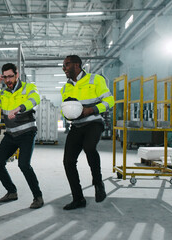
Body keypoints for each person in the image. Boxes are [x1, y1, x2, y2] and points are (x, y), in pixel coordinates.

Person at [60, 55, 114, 210]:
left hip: (94, 122)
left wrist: (91, 110)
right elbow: (65, 109)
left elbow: (109, 101)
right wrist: (68, 114)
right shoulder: (66, 88)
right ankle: (78, 199)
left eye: (66, 65)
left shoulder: (95, 80)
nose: (64, 68)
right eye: (63, 66)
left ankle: (98, 183)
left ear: (77, 65)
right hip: (76, 125)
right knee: (68, 161)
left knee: (89, 148)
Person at [0, 63, 44, 209]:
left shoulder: (28, 87)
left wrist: (19, 108)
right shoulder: (2, 92)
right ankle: (11, 191)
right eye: (5, 77)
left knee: (24, 164)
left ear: (17, 75)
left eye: (10, 76)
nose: (8, 80)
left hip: (27, 132)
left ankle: (38, 196)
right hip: (11, 134)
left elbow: (35, 99)